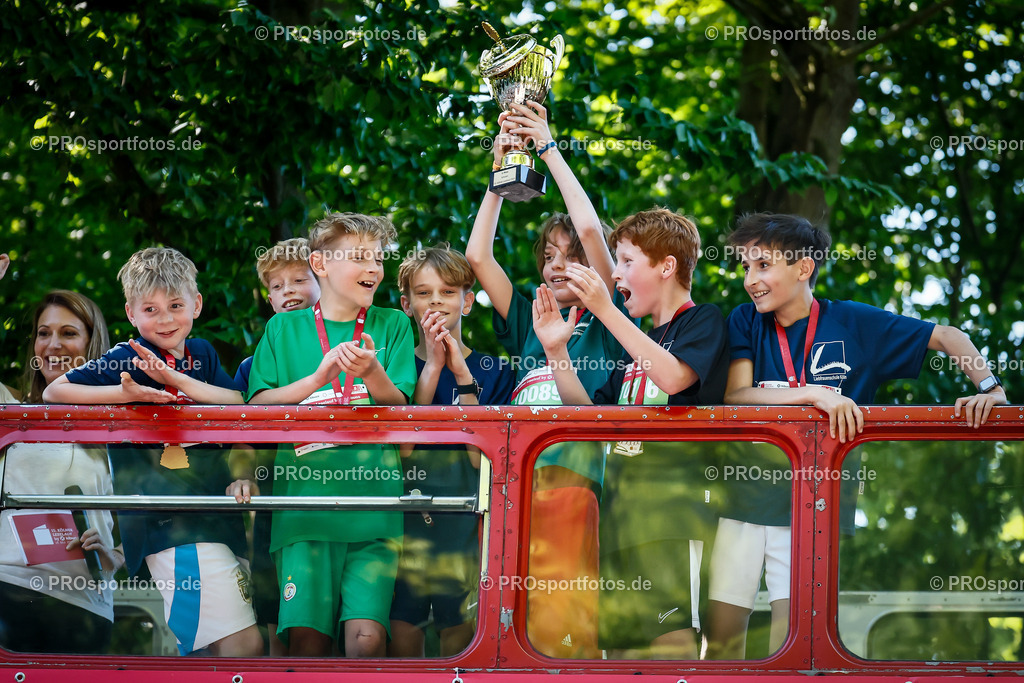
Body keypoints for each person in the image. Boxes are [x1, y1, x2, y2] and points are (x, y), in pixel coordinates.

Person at [708, 212, 1010, 659]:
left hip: (814, 508)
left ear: (803, 267)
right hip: (744, 501)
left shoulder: (854, 323)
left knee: (789, 651)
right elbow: (736, 396)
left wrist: (992, 390)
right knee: (720, 646)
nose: (750, 279)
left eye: (762, 265)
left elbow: (949, 336)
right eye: (745, 267)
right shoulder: (745, 320)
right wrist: (815, 395)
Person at [466, 101, 634, 658]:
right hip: (509, 482)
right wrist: (499, 175)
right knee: (500, 620)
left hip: (569, 478)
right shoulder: (529, 315)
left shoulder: (611, 318)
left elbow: (588, 227)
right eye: (548, 255)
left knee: (560, 625)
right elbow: (477, 257)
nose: (558, 265)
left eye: (571, 256)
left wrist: (546, 147)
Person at [44, 247, 262, 658]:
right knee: (241, 646)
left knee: (211, 648)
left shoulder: (203, 354)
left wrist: (175, 379)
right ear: (131, 313)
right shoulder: (127, 357)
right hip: (174, 525)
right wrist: (122, 393)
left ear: (196, 304)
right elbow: (54, 392)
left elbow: (236, 400)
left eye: (176, 305)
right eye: (151, 309)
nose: (164, 319)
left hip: (212, 517)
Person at [531, 208, 729, 659]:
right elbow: (585, 416)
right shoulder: (632, 340)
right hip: (616, 514)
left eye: (625, 262)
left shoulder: (704, 321)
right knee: (622, 649)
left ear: (667, 266)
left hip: (671, 517)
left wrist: (604, 310)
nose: (615, 275)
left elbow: (674, 378)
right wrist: (556, 350)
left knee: (671, 639)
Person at [241, 212, 416, 658]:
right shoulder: (282, 328)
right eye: (359, 257)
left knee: (368, 640)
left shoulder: (393, 323)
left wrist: (372, 372)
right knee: (306, 642)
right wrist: (315, 379)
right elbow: (256, 407)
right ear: (319, 264)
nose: (374, 268)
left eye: (378, 259)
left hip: (375, 510)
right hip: (303, 513)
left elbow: (402, 410)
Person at [388, 244, 514, 657]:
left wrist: (460, 372)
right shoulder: (393, 364)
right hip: (402, 517)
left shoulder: (495, 369)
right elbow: (405, 449)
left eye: (447, 291)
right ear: (406, 304)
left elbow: (485, 456)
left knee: (459, 632)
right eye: (423, 293)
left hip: (466, 519)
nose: (436, 302)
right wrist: (434, 367)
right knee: (401, 628)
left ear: (468, 300)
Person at [0, 290, 123, 653]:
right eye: (43, 332)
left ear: (92, 343)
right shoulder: (9, 408)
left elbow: (157, 513)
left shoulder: (119, 424)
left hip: (84, 606)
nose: (53, 344)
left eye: (68, 333)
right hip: (8, 590)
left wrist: (116, 556)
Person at [231, 237, 320, 655]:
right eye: (278, 286)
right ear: (269, 299)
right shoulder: (254, 365)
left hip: (338, 495)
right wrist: (242, 477)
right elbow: (243, 432)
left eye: (300, 280)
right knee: (276, 619)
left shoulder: (354, 350)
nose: (289, 291)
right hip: (276, 502)